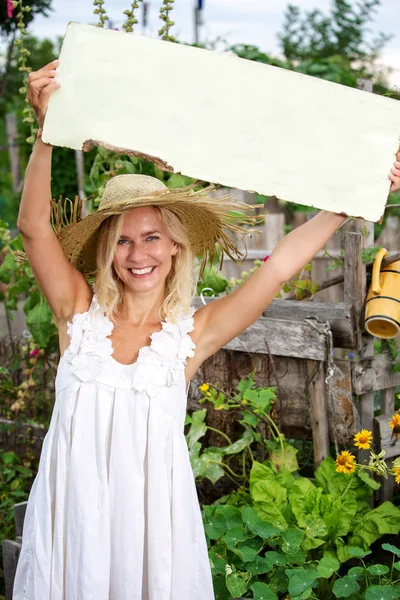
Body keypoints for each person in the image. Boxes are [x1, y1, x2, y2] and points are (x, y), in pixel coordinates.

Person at [12, 59, 400, 600]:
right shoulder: (77, 315)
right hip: (74, 521)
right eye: (123, 240)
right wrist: (46, 132)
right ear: (106, 249)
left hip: (153, 533)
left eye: (151, 238)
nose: (138, 254)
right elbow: (33, 229)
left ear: (174, 246)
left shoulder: (190, 336)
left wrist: (351, 200)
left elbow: (278, 268)